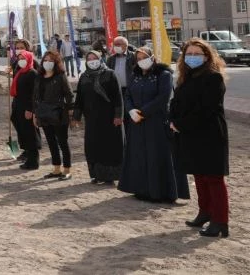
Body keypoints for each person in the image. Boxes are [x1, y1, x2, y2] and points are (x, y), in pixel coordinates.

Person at [170, 38, 230, 238]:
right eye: (189, 54)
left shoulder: (213, 77)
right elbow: (176, 102)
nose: (192, 57)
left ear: (206, 56)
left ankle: (220, 221)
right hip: (190, 135)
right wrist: (172, 119)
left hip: (210, 135)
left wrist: (180, 124)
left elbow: (206, 109)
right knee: (199, 176)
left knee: (213, 178)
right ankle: (205, 212)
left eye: (197, 54)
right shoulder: (186, 77)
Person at [118, 47, 185, 202]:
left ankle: (160, 192)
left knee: (156, 155)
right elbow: (127, 95)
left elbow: (163, 98)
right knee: (139, 155)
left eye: (145, 57)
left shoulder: (164, 75)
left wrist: (142, 112)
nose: (142, 61)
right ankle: (141, 189)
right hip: (136, 123)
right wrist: (130, 110)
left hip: (156, 123)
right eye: (139, 58)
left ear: (152, 57)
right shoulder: (134, 75)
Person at [73, 51, 123, 184]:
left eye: (94, 58)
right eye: (89, 59)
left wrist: (118, 115)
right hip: (91, 119)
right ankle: (96, 175)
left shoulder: (110, 74)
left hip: (109, 118)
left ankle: (109, 177)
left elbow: (118, 97)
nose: (92, 61)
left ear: (100, 59)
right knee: (92, 146)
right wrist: (76, 116)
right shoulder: (84, 77)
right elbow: (79, 98)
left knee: (108, 146)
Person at [33, 50, 75, 180]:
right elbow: (35, 97)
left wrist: (70, 111)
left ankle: (67, 169)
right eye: (45, 60)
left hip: (59, 114)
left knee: (62, 142)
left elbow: (69, 94)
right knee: (51, 142)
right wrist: (35, 114)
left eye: (51, 60)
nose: (47, 63)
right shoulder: (39, 77)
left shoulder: (60, 76)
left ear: (56, 62)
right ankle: (56, 168)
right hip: (44, 114)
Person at [11, 50, 39, 170]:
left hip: (27, 108)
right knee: (23, 132)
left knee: (30, 134)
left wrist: (30, 109)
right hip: (18, 105)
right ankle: (28, 158)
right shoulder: (20, 72)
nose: (21, 61)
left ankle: (33, 161)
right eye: (19, 59)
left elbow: (34, 93)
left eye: (23, 58)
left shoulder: (32, 73)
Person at [106, 36, 136, 100]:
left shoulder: (134, 56)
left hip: (130, 89)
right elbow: (107, 73)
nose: (116, 46)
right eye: (115, 44)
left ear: (126, 45)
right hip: (115, 89)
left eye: (118, 44)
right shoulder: (111, 58)